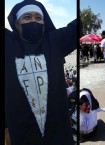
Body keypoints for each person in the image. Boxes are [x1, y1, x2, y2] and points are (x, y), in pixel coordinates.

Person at [5, 0, 77, 145]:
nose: (33, 21)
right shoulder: (8, 44)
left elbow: (75, 26)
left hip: (58, 132)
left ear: (45, 23)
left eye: (38, 18)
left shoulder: (55, 41)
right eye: (27, 17)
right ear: (16, 23)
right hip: (22, 133)